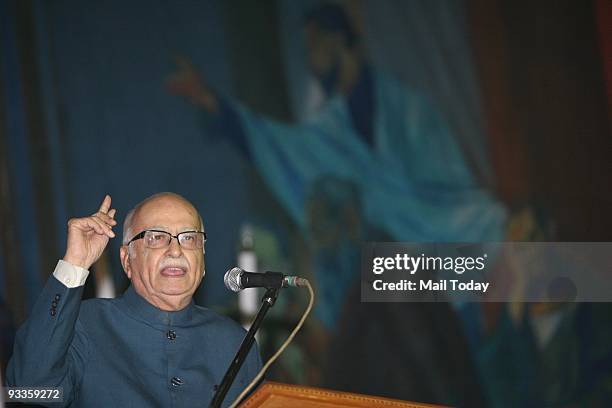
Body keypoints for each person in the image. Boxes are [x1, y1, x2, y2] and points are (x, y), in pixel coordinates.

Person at [167, 3, 507, 243]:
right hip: (386, 255)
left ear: (337, 41)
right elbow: (278, 146)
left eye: (313, 46)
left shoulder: (406, 105)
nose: (310, 62)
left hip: (437, 228)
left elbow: (449, 184)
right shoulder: (329, 128)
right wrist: (210, 102)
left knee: (493, 223)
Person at [6, 193, 261, 407]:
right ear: (127, 260)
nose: (175, 250)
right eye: (156, 237)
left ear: (202, 262)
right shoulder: (83, 324)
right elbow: (27, 388)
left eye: (189, 238)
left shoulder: (234, 342)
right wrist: (76, 262)